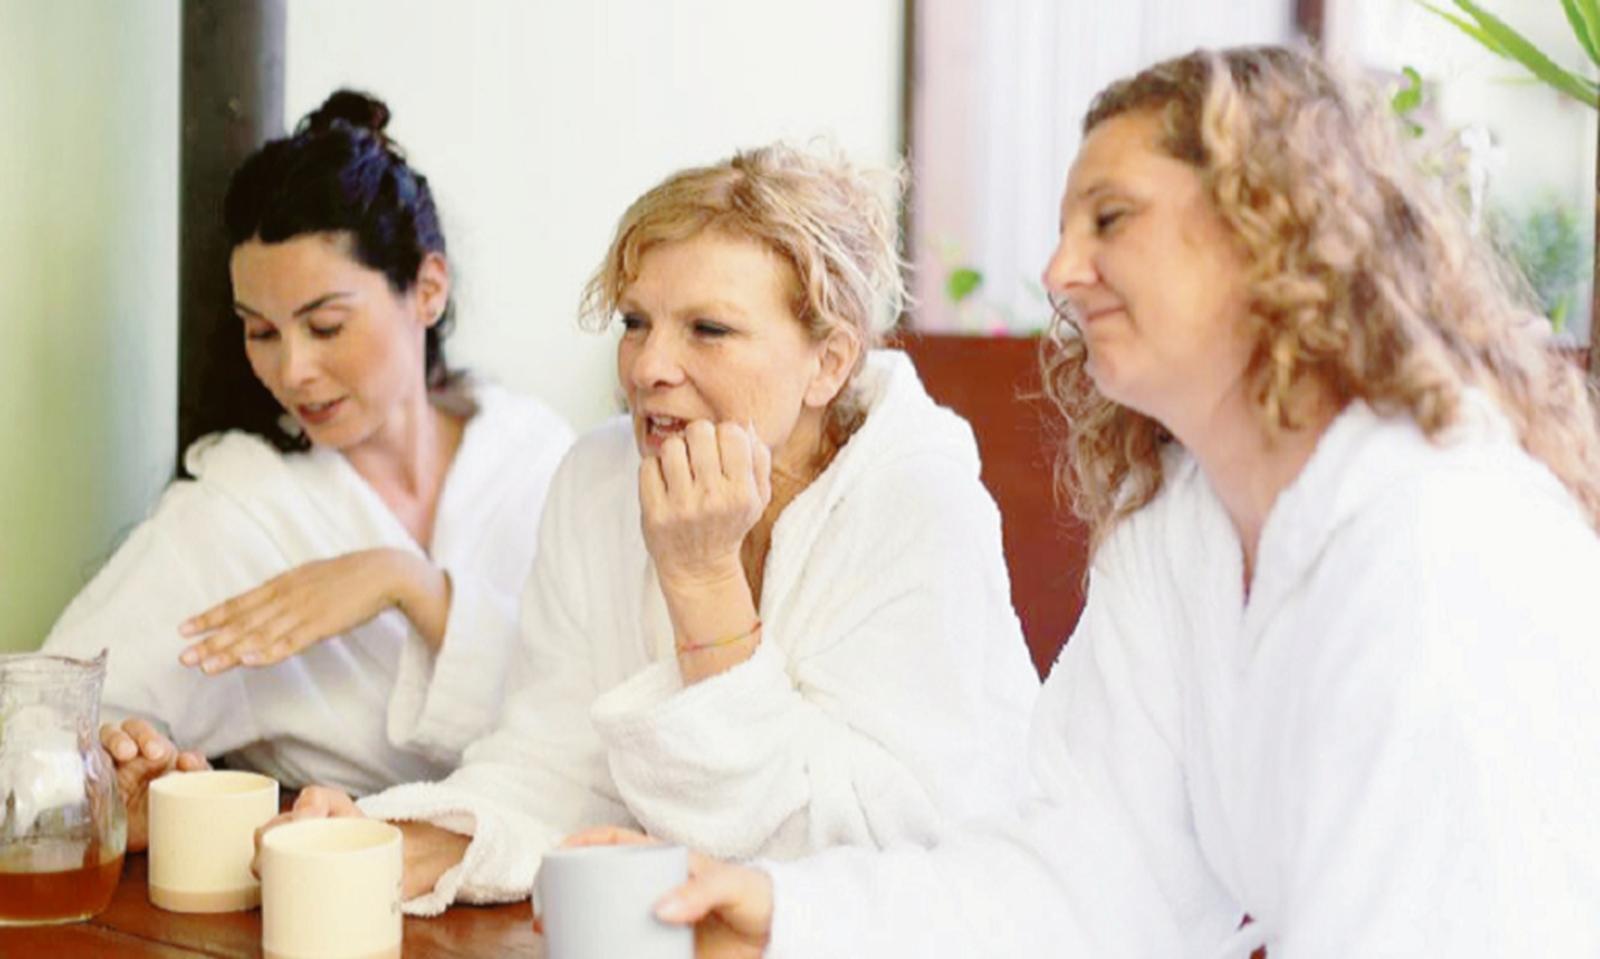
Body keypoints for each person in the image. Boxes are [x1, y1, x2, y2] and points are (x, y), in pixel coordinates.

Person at [601, 47, 1600, 957]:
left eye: (1110, 220)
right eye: (1064, 228)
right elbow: (1083, 879)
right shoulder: (1183, 530)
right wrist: (791, 910)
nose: (1058, 271)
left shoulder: (1436, 547)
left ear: (1271, 231)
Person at [261, 142, 1042, 915]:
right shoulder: (599, 479)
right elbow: (555, 760)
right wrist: (408, 840)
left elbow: (870, 848)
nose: (646, 367)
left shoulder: (917, 506)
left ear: (829, 363)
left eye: (708, 329)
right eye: (636, 321)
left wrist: (700, 580)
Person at [42, 90, 573, 852]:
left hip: (553, 879)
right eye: (261, 332)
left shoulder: (537, 457)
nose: (292, 370)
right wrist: (132, 775)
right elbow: (53, 718)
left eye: (326, 325)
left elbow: (594, 707)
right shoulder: (237, 511)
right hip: (330, 882)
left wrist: (412, 584)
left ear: (427, 289)